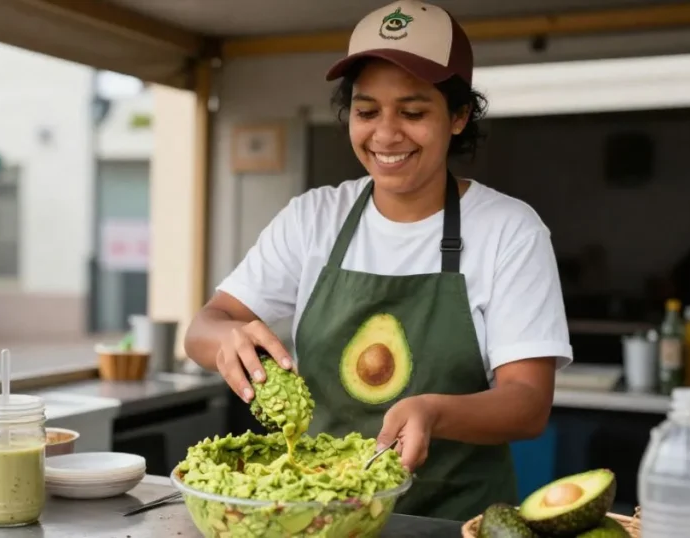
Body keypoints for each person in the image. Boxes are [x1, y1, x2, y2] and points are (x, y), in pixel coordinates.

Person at [184, 0, 572, 521]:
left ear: (458, 117)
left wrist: (434, 411)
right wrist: (226, 339)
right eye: (367, 112)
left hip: (454, 521)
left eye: (412, 113)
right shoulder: (313, 218)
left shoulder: (508, 230)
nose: (386, 135)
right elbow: (204, 327)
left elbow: (527, 403)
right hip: (318, 516)